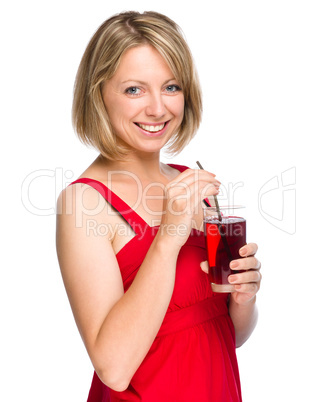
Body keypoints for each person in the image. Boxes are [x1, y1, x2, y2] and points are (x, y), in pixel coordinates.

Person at [56, 11, 262, 402]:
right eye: (134, 89)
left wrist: (243, 297)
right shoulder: (84, 202)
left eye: (171, 87)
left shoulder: (190, 183)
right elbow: (113, 368)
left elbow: (225, 335)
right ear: (98, 93)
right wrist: (168, 237)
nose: (157, 109)